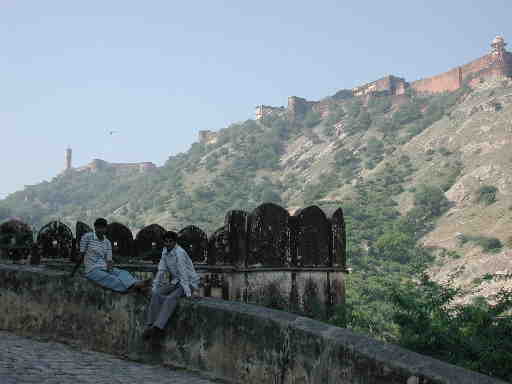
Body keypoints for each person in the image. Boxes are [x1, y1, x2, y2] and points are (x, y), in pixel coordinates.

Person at [143, 230, 200, 341]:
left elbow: (184, 273)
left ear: (175, 242)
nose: (168, 244)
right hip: (176, 281)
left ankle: (158, 328)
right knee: (156, 294)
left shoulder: (180, 253)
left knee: (171, 298)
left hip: (188, 283)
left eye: (170, 242)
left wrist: (189, 294)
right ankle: (150, 324)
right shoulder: (165, 252)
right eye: (166, 241)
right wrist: (155, 287)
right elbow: (161, 270)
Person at [80, 218, 151, 293]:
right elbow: (81, 253)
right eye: (98, 228)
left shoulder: (107, 242)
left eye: (103, 228)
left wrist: (111, 270)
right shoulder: (87, 237)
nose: (101, 230)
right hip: (92, 269)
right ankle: (136, 286)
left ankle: (135, 284)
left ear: (106, 229)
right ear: (95, 228)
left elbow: (109, 259)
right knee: (110, 278)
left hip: (104, 267)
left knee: (123, 273)